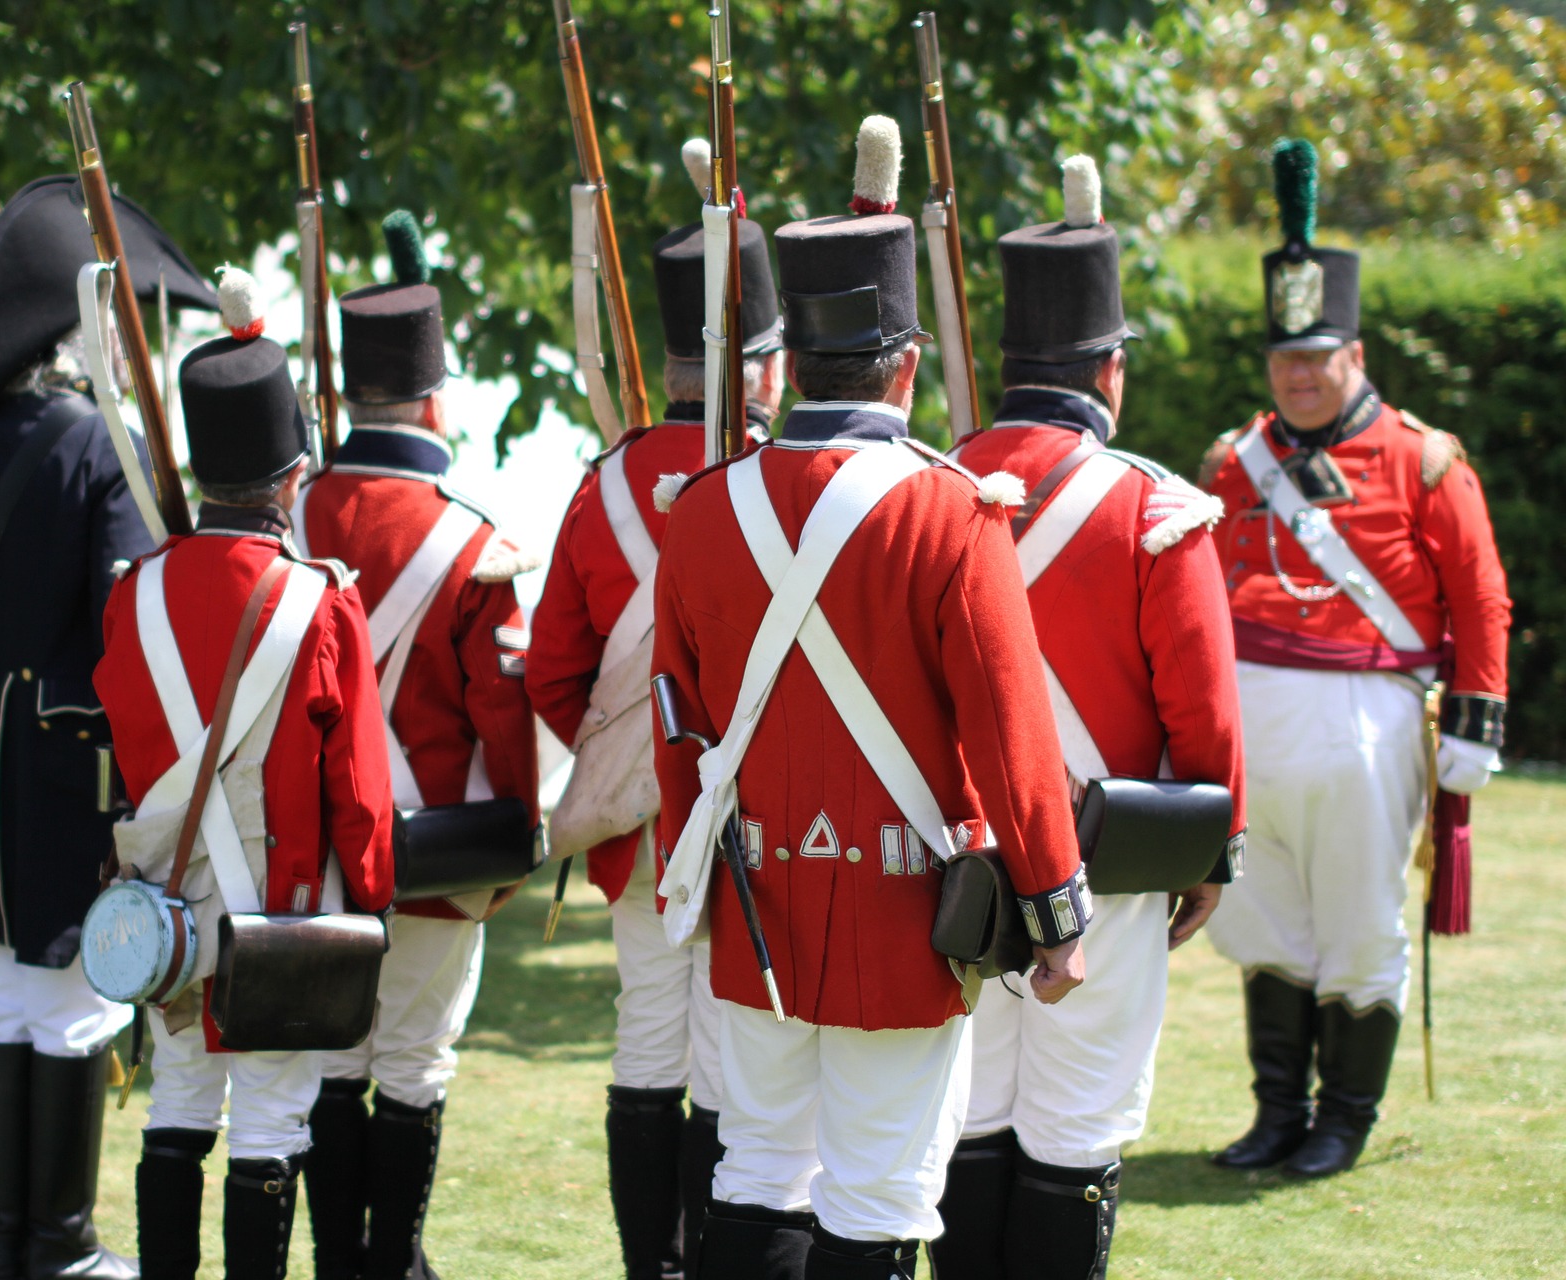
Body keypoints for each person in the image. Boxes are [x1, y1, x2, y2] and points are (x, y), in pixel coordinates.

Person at [648, 118, 1088, 1280]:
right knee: (883, 1190)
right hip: (908, 911)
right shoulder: (956, 510)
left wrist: (688, 879)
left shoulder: (699, 511)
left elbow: (677, 722)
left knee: (753, 1168)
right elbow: (1012, 728)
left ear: (789, 360)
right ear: (905, 363)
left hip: (754, 896)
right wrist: (1053, 910)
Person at [933, 156, 1247, 1279]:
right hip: (1106, 868)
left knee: (962, 1122)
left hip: (953, 865)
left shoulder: (929, 484)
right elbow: (1202, 711)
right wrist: (1210, 849)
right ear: (1109, 371)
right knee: (1075, 1133)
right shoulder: (1154, 507)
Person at [0, 175, 218, 1279]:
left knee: (5, 992)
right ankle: (62, 1243)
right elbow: (126, 627)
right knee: (79, 995)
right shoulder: (101, 445)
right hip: (71, 765)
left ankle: (13, 1245)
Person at [1200, 139, 1511, 1179]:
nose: (1298, 374)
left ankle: (1346, 1118)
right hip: (1250, 725)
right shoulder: (1230, 462)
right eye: (1284, 358)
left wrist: (1474, 725)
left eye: (1317, 357)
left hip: (1366, 724)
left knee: (1358, 923)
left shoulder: (1427, 458)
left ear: (1357, 355)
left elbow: (1480, 596)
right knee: (1268, 919)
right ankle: (1277, 1109)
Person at [94, 275, 397, 1280]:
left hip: (164, 904)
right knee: (271, 1113)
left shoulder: (131, 595)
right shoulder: (317, 601)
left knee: (179, 1100)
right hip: (283, 905)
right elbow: (358, 787)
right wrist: (375, 897)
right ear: (291, 475)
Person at [525, 140, 782, 1280]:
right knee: (730, 1049)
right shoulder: (783, 479)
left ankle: (652, 1267)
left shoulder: (603, 481)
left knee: (648, 1031)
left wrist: (628, 750)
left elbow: (549, 672)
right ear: (755, 363)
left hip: (640, 824)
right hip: (763, 815)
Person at [293, 212, 541, 1280]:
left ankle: (343, 1259)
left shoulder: (291, 516)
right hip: (434, 845)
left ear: (350, 396)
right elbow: (505, 721)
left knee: (334, 1059)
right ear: (437, 400)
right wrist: (513, 841)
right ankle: (394, 1259)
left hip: (307, 846)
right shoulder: (473, 538)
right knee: (414, 1058)